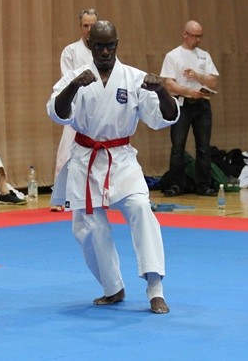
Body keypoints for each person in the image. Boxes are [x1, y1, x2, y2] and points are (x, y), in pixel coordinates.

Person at [46, 20, 179, 314]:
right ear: (90, 45)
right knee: (89, 229)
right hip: (85, 159)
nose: (105, 51)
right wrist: (73, 86)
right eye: (99, 46)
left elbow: (165, 118)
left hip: (121, 159)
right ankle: (112, 287)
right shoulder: (75, 77)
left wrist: (162, 91)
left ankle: (155, 288)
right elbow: (57, 113)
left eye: (109, 46)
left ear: (116, 44)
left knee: (141, 209)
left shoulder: (134, 78)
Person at [160, 20, 219, 197]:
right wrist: (188, 91)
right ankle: (176, 184)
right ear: (185, 34)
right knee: (178, 146)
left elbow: (213, 81)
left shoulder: (204, 56)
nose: (198, 39)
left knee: (204, 147)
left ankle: (204, 185)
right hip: (182, 104)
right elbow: (169, 83)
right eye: (195, 36)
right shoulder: (173, 56)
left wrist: (198, 76)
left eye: (200, 36)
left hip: (202, 104)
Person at [54, 9, 98, 182]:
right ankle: (61, 192)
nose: (89, 29)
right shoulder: (70, 51)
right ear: (80, 27)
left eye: (93, 25)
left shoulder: (106, 52)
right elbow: (67, 82)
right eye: (85, 25)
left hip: (100, 110)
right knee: (66, 152)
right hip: (77, 109)